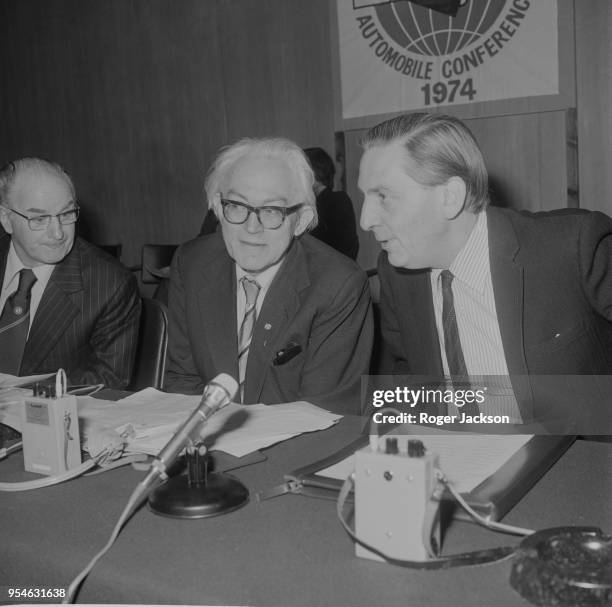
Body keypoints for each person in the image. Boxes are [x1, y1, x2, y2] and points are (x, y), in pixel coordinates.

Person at [358, 112, 612, 430]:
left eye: (383, 196)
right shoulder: (397, 272)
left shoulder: (572, 246)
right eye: (365, 197)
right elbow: (412, 378)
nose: (365, 220)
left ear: (449, 197)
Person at [164, 137, 373, 413]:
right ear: (217, 206)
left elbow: (322, 413)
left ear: (300, 220)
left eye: (272, 211)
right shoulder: (192, 263)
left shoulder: (338, 285)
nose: (252, 228)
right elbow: (183, 380)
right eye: (237, 206)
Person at [0, 158, 140, 388]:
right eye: (40, 218)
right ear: (6, 219)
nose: (57, 234)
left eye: (66, 214)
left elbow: (108, 381)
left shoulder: (110, 284)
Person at [304, 147, 359, 260]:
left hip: (335, 272)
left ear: (313, 173)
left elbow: (348, 249)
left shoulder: (337, 200)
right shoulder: (308, 204)